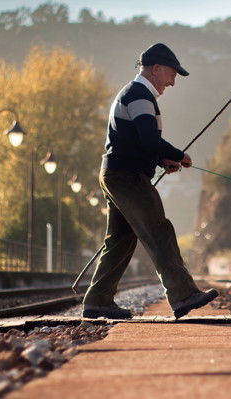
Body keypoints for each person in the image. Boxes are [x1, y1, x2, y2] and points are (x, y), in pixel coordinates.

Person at [82, 43, 219, 319]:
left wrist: (161, 160)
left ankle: (97, 301)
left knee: (120, 240)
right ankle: (184, 295)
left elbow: (138, 141)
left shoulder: (135, 94)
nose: (173, 81)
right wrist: (178, 155)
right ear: (155, 69)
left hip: (116, 172)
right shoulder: (139, 95)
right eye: (172, 73)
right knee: (160, 231)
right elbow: (149, 139)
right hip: (127, 176)